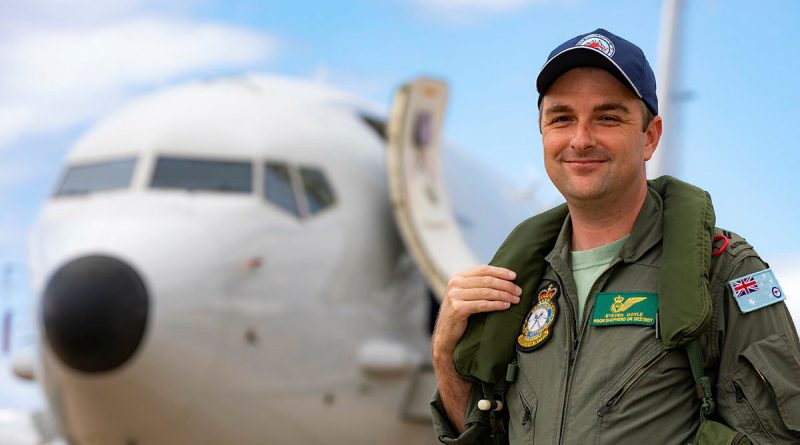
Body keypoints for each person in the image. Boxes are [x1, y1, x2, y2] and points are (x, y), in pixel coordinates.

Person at [431, 28, 800, 444]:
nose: (581, 138)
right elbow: (478, 435)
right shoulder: (517, 285)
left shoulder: (726, 270)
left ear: (650, 136)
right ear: (543, 133)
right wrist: (444, 353)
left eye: (608, 117)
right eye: (561, 118)